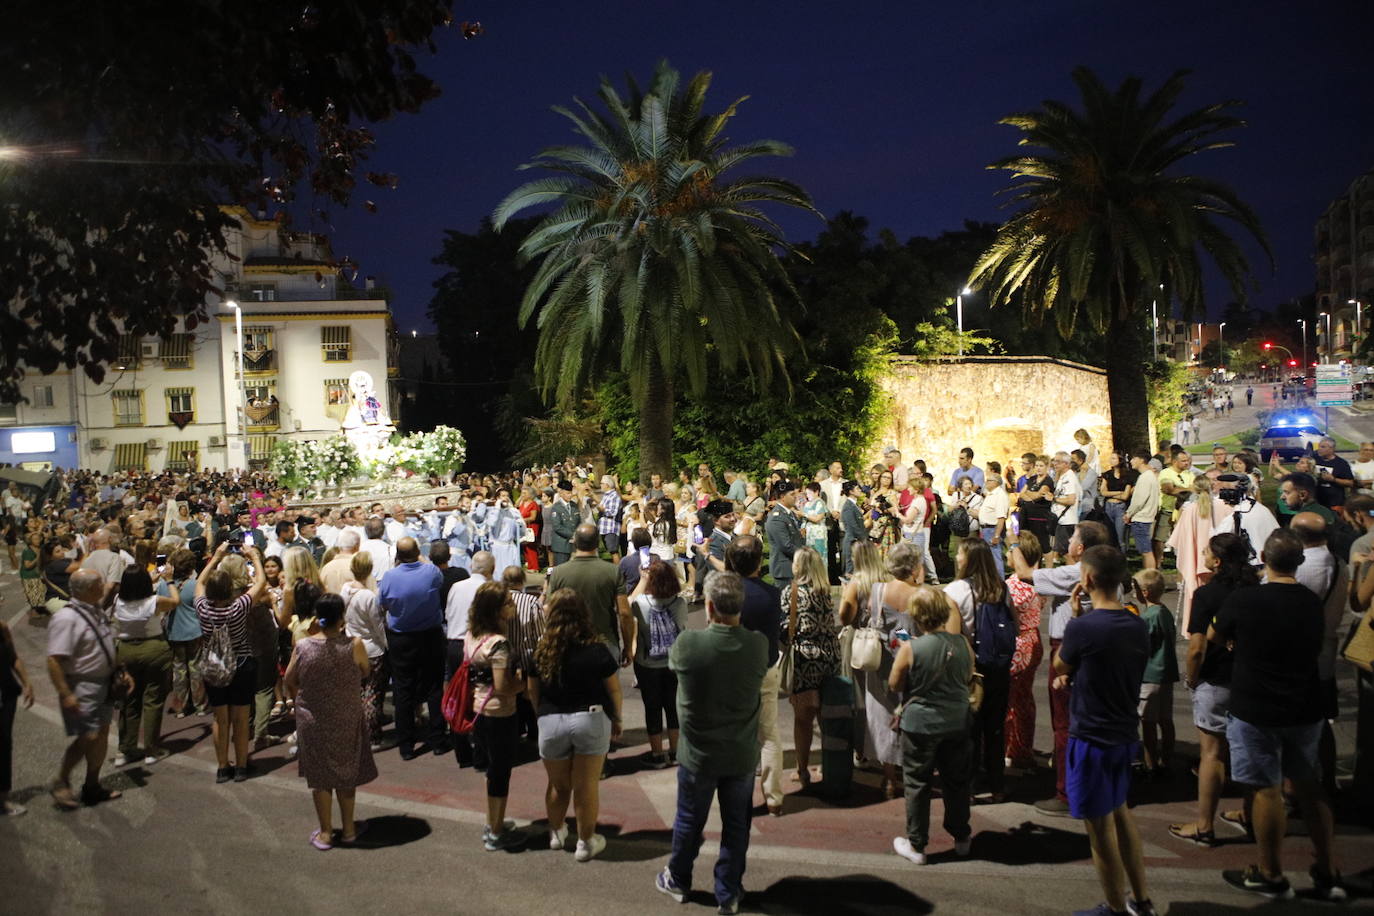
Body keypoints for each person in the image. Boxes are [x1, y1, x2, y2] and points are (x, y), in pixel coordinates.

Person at [1208, 529, 1345, 901]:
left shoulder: (1246, 599)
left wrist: (1235, 641)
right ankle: (1327, 868)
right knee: (1309, 787)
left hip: (1256, 704)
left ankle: (1270, 872)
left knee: (1266, 790)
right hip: (1304, 703)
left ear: (1264, 560)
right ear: (1298, 562)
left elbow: (1215, 636)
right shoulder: (1310, 602)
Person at [656, 572, 767, 915]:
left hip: (698, 754)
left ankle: (679, 878)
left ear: (709, 607)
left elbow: (673, 666)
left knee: (689, 820)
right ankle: (728, 891)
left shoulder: (688, 645)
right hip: (740, 754)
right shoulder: (758, 645)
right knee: (737, 825)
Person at [1054, 545, 1154, 916]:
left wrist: (1074, 618)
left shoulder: (1083, 627)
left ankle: (1114, 908)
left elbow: (1060, 665)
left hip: (1092, 736)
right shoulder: (1137, 623)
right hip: (1124, 732)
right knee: (1120, 812)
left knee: (1099, 830)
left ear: (1087, 578)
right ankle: (1140, 899)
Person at [1008, 520, 1111, 816]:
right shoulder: (1101, 569)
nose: (1067, 544)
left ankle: (1066, 791)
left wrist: (1013, 540)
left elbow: (1024, 574)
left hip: (1068, 647)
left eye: (1072, 539)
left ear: (1080, 548)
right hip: (1089, 646)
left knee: (1065, 721)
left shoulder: (1076, 572)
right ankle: (1083, 780)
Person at [1170, 533, 1256, 847]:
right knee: (1249, 750)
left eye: (1207, 551)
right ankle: (1251, 813)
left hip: (1216, 679)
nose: (1203, 554)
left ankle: (1204, 824)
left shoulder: (1207, 595)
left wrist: (1192, 678)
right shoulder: (1254, 590)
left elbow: (1197, 647)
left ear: (1217, 561)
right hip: (1248, 678)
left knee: (1212, 754)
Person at [530, 588, 623, 861]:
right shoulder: (596, 649)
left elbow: (532, 691)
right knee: (586, 786)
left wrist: (541, 715)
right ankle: (585, 842)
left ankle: (556, 832)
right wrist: (616, 717)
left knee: (558, 785)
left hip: (551, 720)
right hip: (590, 718)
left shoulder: (541, 650)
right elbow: (614, 689)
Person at [888, 584, 974, 865]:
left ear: (917, 616)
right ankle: (961, 836)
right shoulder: (962, 644)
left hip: (920, 725)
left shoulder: (911, 648)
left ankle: (917, 843)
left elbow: (895, 683)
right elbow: (968, 677)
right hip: (957, 720)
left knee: (917, 783)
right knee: (956, 781)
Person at [285, 592, 377, 850]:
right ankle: (348, 830)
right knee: (346, 773)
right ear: (341, 618)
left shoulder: (303, 646)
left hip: (312, 717)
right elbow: (365, 671)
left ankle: (326, 832)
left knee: (320, 776)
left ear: (318, 617)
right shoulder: (354, 645)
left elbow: (290, 678)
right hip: (346, 715)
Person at [844, 540, 929, 798]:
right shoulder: (922, 595)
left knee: (882, 715)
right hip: (914, 658)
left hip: (883, 660)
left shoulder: (878, 590)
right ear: (913, 567)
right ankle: (912, 773)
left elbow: (872, 617)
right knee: (913, 712)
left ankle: (890, 779)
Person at [47, 569, 124, 808]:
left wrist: (120, 670)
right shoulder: (66, 618)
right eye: (100, 583)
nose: (105, 585)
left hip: (104, 683)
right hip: (82, 685)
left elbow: (105, 643)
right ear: (89, 589)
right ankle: (61, 780)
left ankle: (92, 785)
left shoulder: (95, 610)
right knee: (87, 736)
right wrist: (66, 693)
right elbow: (54, 659)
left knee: (100, 736)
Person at [944, 538, 1012, 801]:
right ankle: (997, 785)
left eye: (961, 554)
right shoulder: (1001, 588)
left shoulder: (956, 590)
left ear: (969, 559)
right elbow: (1014, 626)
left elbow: (953, 636)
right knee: (995, 728)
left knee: (969, 729)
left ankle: (969, 787)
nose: (957, 558)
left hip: (970, 667)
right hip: (998, 666)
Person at [195, 542, 268, 783]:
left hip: (214, 665)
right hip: (241, 663)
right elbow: (260, 583)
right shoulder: (238, 608)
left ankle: (222, 766)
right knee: (241, 717)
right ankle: (242, 766)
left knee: (220, 719)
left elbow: (199, 582)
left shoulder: (202, 608)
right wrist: (254, 557)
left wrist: (216, 557)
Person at [724, 534, 785, 816]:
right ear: (759, 561)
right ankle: (773, 798)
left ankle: (738, 797)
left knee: (737, 736)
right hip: (765, 668)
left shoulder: (725, 592)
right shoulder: (772, 594)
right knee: (769, 734)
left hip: (734, 671)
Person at [466, 581, 526, 851]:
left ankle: (493, 822)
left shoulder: (473, 635)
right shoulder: (499, 644)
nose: (513, 607)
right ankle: (496, 832)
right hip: (499, 712)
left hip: (478, 708)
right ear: (496, 610)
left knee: (492, 771)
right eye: (508, 603)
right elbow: (502, 686)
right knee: (501, 773)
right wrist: (523, 685)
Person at [377, 537, 446, 760]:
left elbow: (383, 603)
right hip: (429, 635)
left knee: (403, 689)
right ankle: (437, 739)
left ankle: (406, 744)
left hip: (402, 637)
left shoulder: (390, 576)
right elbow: (438, 580)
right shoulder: (431, 571)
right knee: (434, 687)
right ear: (417, 552)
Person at [781, 546, 841, 787]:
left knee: (803, 718)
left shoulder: (792, 591)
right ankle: (829, 766)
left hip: (805, 658)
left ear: (799, 566)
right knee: (826, 716)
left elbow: (785, 624)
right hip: (830, 656)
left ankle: (802, 770)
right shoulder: (824, 591)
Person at [110, 566, 177, 766]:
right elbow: (176, 601)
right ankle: (151, 749)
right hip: (153, 648)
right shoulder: (154, 601)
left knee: (129, 700)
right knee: (153, 700)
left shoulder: (117, 600)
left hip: (126, 650)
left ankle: (126, 749)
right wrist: (169, 580)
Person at [545, 524, 633, 666]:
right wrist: (628, 647)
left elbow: (549, 609)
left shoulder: (558, 572)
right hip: (605, 642)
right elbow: (624, 613)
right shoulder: (612, 571)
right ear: (597, 542)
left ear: (575, 542)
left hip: (570, 643)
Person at [629, 559, 688, 768]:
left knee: (652, 708)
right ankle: (675, 751)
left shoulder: (641, 603)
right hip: (673, 663)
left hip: (647, 663)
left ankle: (657, 754)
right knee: (673, 707)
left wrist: (642, 580)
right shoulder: (679, 603)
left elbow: (627, 604)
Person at [1004, 532, 1045, 771]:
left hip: (1019, 644)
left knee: (1010, 700)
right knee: (1024, 697)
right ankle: (1023, 747)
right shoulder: (1038, 581)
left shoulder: (1015, 586)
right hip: (1033, 638)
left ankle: (1013, 748)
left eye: (1011, 551)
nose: (1007, 554)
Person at [1131, 569, 1177, 776]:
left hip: (1150, 675)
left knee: (1148, 722)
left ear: (1145, 592)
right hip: (1167, 674)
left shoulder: (1148, 617)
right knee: (1166, 719)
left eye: (1136, 589)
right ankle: (1167, 759)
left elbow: (1142, 646)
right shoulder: (1164, 612)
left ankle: (1151, 763)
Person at [341, 552, 388, 749]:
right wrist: (386, 644)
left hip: (351, 644)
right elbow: (377, 625)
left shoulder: (345, 589)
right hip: (371, 648)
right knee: (372, 694)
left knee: (356, 692)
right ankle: (372, 737)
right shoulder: (368, 596)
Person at [160, 548, 206, 719]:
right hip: (194, 630)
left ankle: (180, 707)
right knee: (196, 667)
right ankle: (200, 705)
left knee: (178, 670)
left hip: (174, 631)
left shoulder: (164, 586)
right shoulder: (195, 585)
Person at [1, 615, 35, 815]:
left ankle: (3, 799)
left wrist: (27, 683)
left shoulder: (2, 628)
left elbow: (13, 658)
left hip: (6, 695)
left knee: (4, 744)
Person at [1122, 454, 1159, 569]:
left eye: (1134, 458)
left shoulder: (1145, 477)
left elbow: (1139, 500)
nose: (1131, 461)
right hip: (1146, 517)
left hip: (1142, 518)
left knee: (1145, 551)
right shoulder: (1149, 476)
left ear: (1142, 460)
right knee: (1145, 550)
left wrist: (1129, 513)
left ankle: (1150, 575)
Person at [765, 482, 804, 588]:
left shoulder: (789, 513)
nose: (796, 496)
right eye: (792, 494)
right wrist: (805, 555)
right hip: (785, 569)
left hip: (792, 566)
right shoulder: (777, 517)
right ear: (782, 497)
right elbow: (786, 546)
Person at [1047, 451, 1082, 566]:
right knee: (1064, 551)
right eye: (1054, 461)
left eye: (1058, 461)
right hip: (1062, 520)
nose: (1054, 464)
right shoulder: (1063, 477)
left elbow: (1071, 500)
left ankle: (1073, 573)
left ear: (1066, 464)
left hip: (1067, 520)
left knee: (1067, 552)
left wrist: (1053, 499)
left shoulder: (1069, 478)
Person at [1098, 452, 1136, 549]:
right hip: (1108, 506)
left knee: (1120, 536)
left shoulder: (1127, 476)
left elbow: (1125, 496)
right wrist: (1118, 492)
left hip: (1120, 507)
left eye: (1113, 458)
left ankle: (1122, 555)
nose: (1111, 460)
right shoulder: (1107, 475)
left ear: (1120, 460)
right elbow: (1103, 492)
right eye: (1111, 458)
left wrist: (1111, 493)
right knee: (1109, 535)